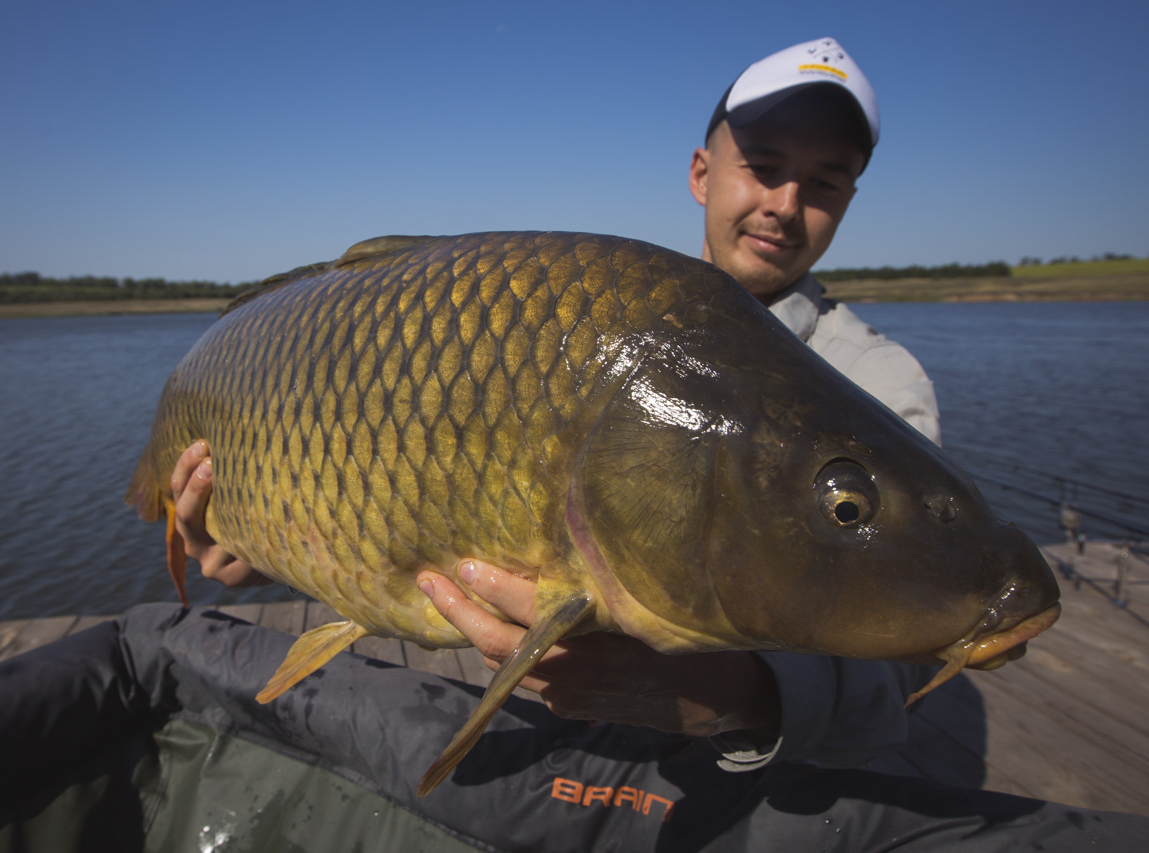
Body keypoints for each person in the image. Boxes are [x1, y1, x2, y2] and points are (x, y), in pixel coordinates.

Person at [170, 38, 944, 775]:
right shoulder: (574, 313)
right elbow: (378, 500)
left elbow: (901, 650)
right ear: (702, 172)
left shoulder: (878, 379)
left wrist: (731, 695)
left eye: (824, 182)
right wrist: (267, 545)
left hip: (760, 793)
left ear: (850, 198)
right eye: (764, 167)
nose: (784, 204)